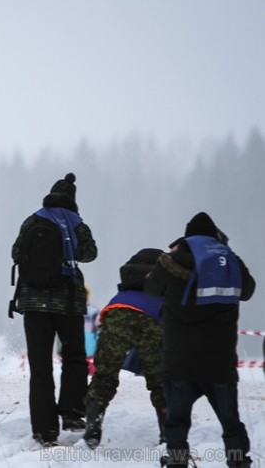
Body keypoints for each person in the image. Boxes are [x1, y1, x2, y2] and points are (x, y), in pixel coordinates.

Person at [145, 212, 256, 468]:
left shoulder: (169, 262)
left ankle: (177, 460)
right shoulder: (229, 262)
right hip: (220, 360)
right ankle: (238, 461)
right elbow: (248, 290)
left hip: (179, 358)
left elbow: (151, 289)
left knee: (177, 420)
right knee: (230, 420)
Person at [9, 172, 98, 447]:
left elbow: (15, 253)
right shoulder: (76, 223)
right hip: (67, 302)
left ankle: (45, 431)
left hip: (33, 304)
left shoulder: (33, 220)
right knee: (74, 357)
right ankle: (71, 413)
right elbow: (90, 254)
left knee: (40, 366)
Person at [83, 248, 165, 449]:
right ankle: (168, 430)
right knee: (159, 379)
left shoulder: (127, 283)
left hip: (116, 312)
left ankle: (93, 425)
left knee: (104, 375)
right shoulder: (163, 281)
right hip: (151, 318)